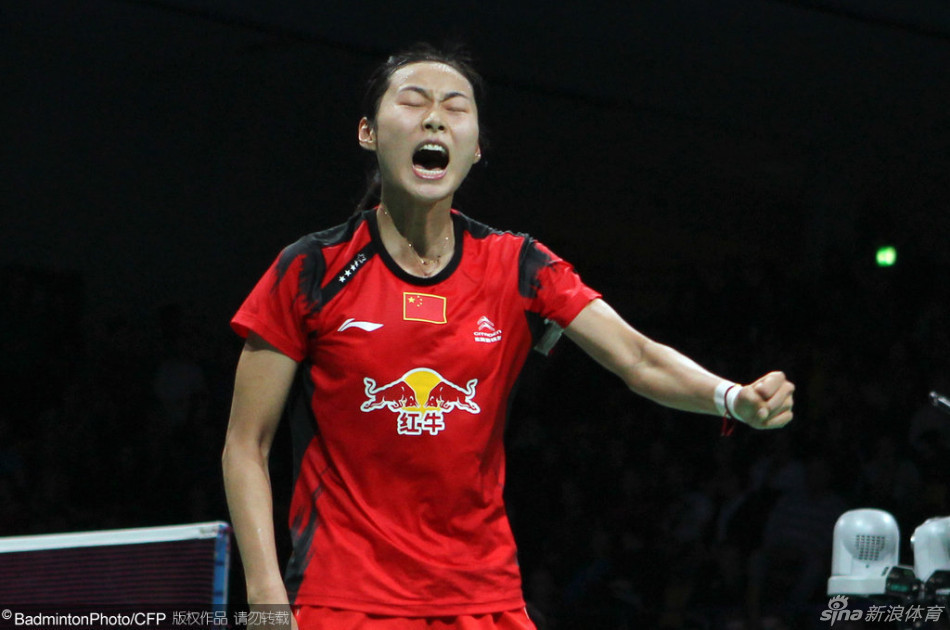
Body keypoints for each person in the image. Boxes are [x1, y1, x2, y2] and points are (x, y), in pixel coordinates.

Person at [221, 43, 795, 630]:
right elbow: (246, 444)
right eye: (413, 102)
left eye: (455, 107)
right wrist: (266, 600)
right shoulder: (312, 269)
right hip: (342, 598)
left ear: (475, 148)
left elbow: (638, 357)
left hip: (484, 598)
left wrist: (732, 397)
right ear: (368, 132)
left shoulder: (518, 266)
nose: (435, 119)